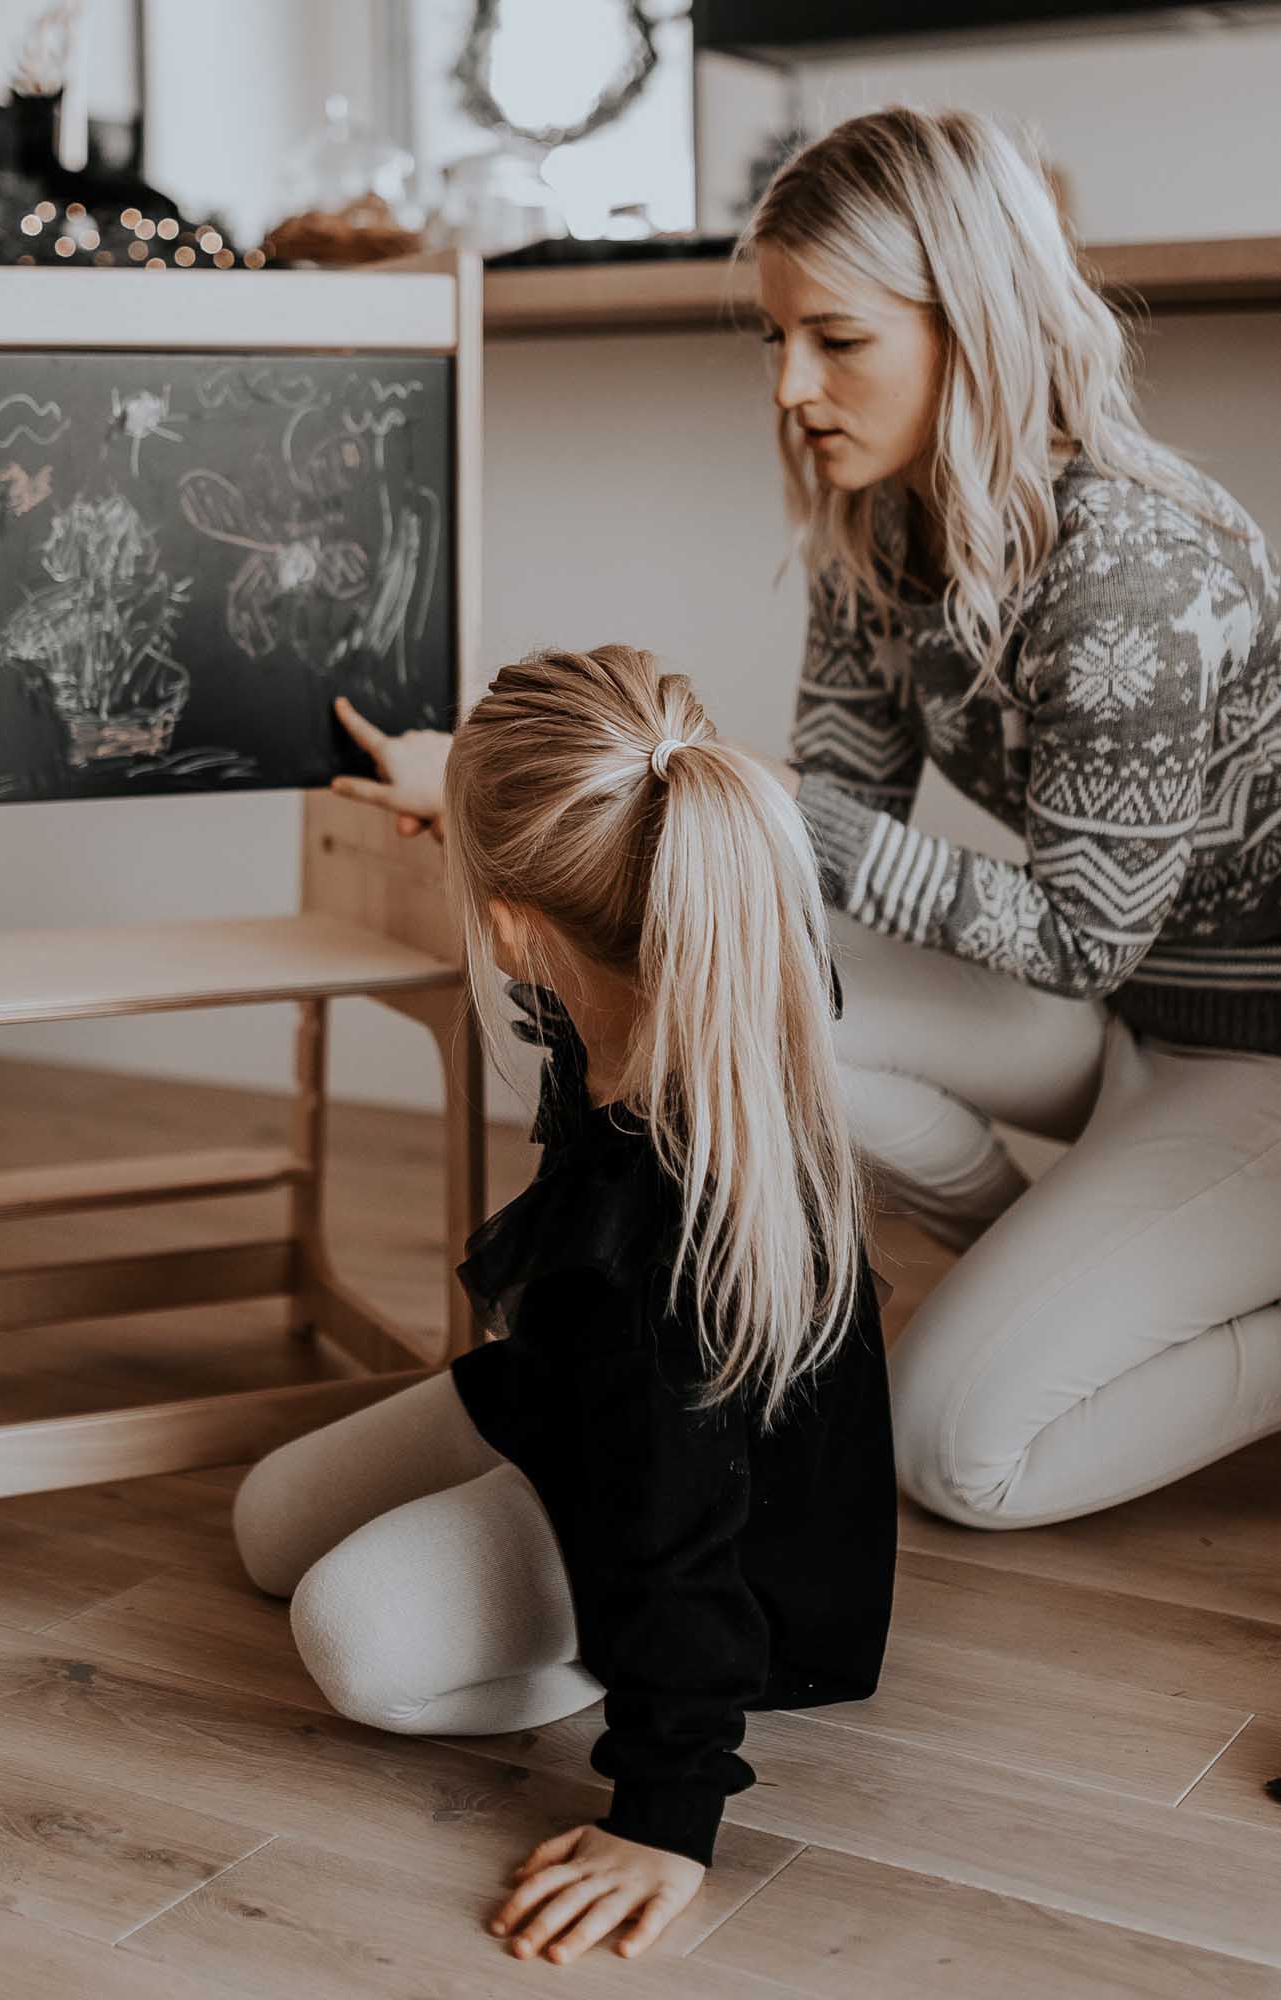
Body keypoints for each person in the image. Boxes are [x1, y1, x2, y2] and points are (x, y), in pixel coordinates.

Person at [324, 105, 1281, 1517]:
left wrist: (774, 809)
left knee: (963, 1458)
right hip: (1128, 1013)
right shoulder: (873, 526)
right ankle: (1087, 1284)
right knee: (720, 998)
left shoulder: (1129, 574)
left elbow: (1070, 936)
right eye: (775, 338)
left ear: (976, 326)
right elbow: (822, 850)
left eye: (837, 340)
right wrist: (487, 785)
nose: (791, 386)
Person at [232, 645, 897, 1965]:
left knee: (345, 1634)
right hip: (588, 1418)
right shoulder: (699, 949)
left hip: (737, 1559)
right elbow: (609, 830)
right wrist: (453, 783)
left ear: (516, 931)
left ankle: (600, 1652)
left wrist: (666, 1813)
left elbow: (677, 1526)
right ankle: (549, 1596)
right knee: (268, 1527)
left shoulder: (638, 1260)